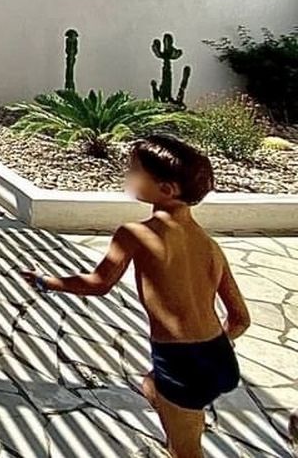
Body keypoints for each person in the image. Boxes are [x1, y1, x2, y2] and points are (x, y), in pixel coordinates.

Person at [20, 134, 251, 458]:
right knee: (152, 386)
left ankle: (185, 427)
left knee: (185, 452)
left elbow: (98, 283)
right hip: (219, 357)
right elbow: (241, 319)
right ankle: (188, 417)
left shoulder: (135, 233)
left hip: (180, 359)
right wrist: (212, 351)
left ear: (167, 189)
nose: (126, 175)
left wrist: (47, 282)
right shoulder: (210, 246)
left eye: (133, 170)